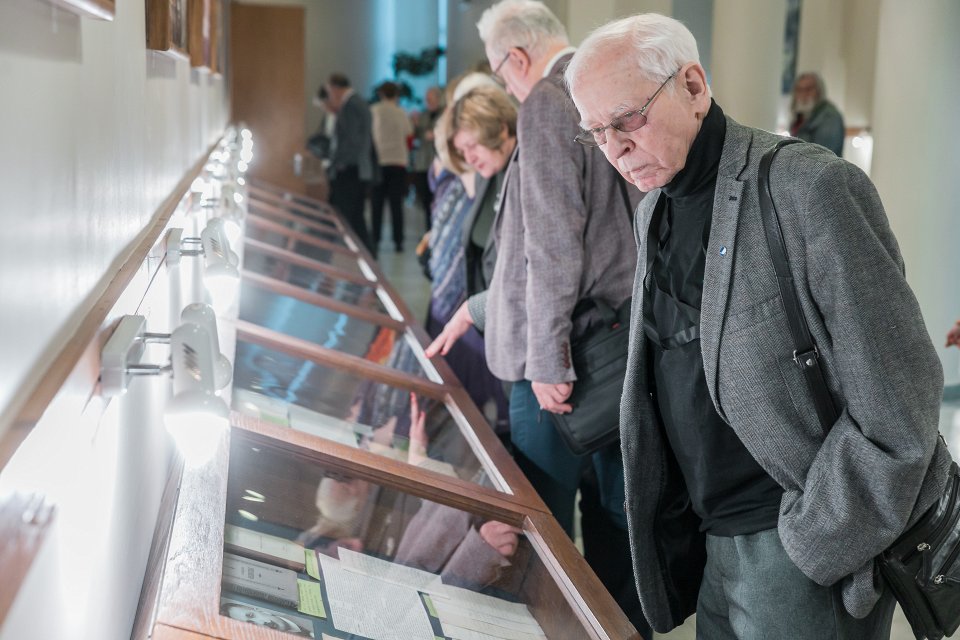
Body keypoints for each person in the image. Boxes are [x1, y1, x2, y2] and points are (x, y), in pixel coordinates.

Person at [565, 13, 953, 638]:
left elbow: (900, 400)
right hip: (713, 542)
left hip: (799, 545)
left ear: (693, 86)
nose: (614, 148)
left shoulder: (809, 188)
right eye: (595, 133)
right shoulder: (655, 210)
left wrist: (815, 542)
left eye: (626, 119)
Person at [427, 1, 645, 634]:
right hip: (619, 347)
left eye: (500, 72)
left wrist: (549, 359)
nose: (503, 83)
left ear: (516, 59)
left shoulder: (550, 99)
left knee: (546, 535)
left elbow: (551, 244)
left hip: (562, 365)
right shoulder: (607, 85)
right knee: (615, 523)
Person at [325, 73, 374, 251]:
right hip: (355, 169)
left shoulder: (351, 105)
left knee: (346, 217)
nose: (330, 96)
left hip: (350, 169)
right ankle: (366, 256)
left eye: (330, 91)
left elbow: (352, 140)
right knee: (355, 218)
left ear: (336, 88)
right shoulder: (356, 102)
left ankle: (357, 255)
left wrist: (337, 163)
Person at [370, 81, 413, 255]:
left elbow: (369, 136)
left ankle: (375, 239)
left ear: (381, 94)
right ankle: (398, 241)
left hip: (379, 162)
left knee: (376, 204)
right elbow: (409, 138)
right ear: (396, 95)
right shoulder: (401, 113)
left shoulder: (374, 111)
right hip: (397, 162)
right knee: (396, 204)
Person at [789, 71, 845, 157]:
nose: (803, 95)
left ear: (819, 91)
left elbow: (823, 156)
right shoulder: (801, 117)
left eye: (808, 89)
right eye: (799, 90)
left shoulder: (829, 117)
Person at [411, 86, 443, 231]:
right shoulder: (423, 115)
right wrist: (415, 125)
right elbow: (417, 137)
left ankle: (437, 229)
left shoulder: (444, 114)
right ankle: (428, 230)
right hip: (423, 163)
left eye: (430, 99)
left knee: (439, 198)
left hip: (439, 163)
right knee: (426, 201)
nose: (428, 102)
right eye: (427, 99)